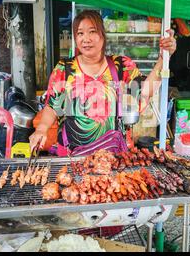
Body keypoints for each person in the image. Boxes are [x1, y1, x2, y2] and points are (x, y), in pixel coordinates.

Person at [29, 10, 176, 154]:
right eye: (80, 33)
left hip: (114, 157)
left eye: (92, 31)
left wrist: (163, 60)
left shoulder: (121, 66)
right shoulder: (64, 68)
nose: (86, 39)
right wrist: (41, 129)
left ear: (102, 35)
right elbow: (52, 106)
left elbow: (145, 93)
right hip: (71, 157)